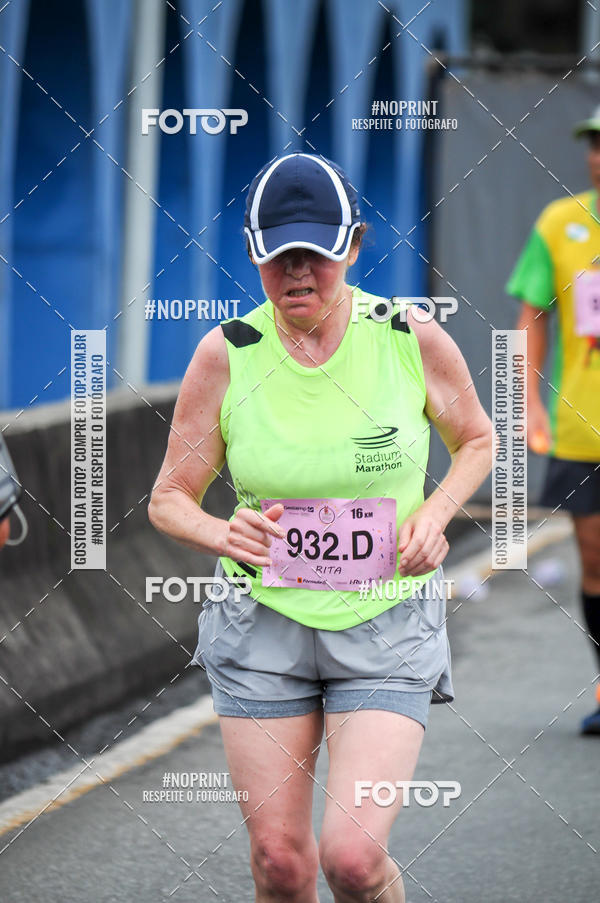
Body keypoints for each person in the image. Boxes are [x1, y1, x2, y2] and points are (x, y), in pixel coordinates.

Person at [149, 152, 493, 903]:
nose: (298, 272)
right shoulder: (227, 353)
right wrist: (220, 533)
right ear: (252, 253)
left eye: (318, 252)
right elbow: (169, 496)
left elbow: (477, 438)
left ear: (355, 246)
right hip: (258, 622)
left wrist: (435, 515)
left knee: (354, 859)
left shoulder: (408, 334)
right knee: (280, 861)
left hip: (385, 618)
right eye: (278, 257)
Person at [506, 105, 600, 735]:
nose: (598, 154)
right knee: (596, 560)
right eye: (593, 142)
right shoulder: (561, 223)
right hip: (582, 427)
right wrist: (525, 404)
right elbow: (529, 318)